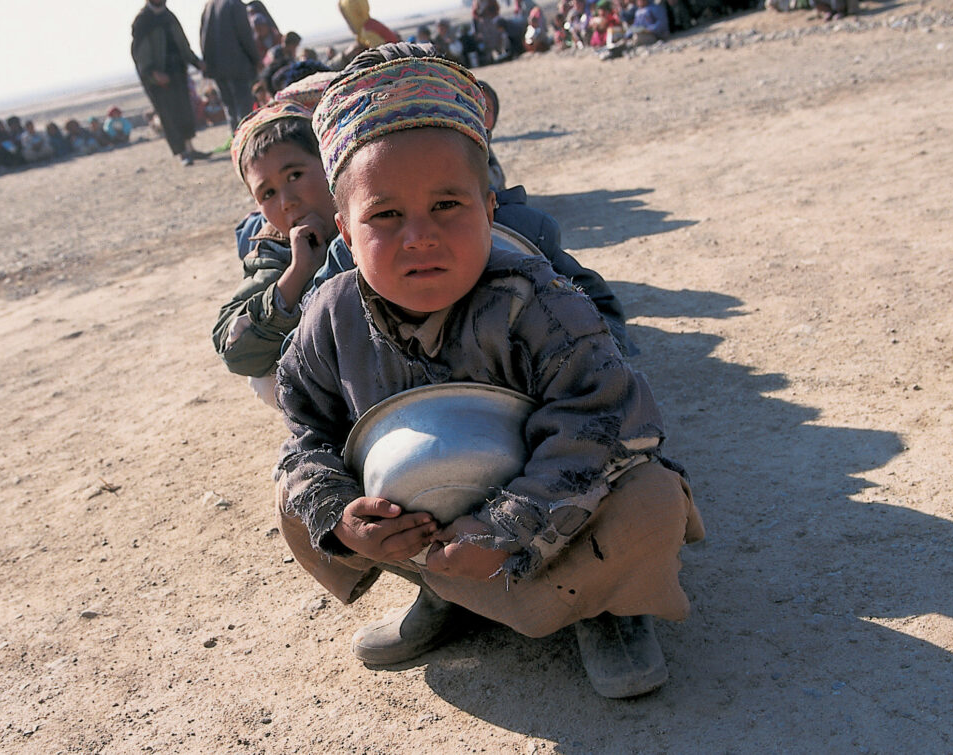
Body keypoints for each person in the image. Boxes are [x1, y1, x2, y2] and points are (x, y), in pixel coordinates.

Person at [275, 50, 704, 698]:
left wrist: (506, 527)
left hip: (557, 514)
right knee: (296, 499)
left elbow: (611, 416)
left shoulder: (539, 299)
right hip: (422, 524)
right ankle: (445, 591)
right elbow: (306, 431)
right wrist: (341, 516)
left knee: (650, 500)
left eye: (447, 204)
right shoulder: (330, 319)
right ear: (344, 229)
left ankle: (610, 608)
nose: (419, 235)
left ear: (489, 205)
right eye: (385, 215)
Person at [211, 99, 339, 408]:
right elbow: (235, 350)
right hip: (338, 387)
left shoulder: (374, 216)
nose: (287, 201)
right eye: (267, 194)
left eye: (294, 175)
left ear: (329, 163)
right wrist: (297, 274)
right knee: (267, 381)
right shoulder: (276, 251)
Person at [131, 0, 209, 166]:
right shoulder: (143, 21)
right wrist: (153, 73)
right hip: (159, 80)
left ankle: (190, 148)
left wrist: (196, 62)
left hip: (177, 73)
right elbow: (141, 54)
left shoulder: (169, 16)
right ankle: (182, 154)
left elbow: (182, 44)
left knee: (185, 112)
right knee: (170, 116)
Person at [199, 0, 263, 132]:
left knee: (231, 109)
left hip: (218, 69)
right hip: (238, 67)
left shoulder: (209, 6)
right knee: (244, 108)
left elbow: (204, 38)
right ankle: (245, 140)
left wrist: (208, 66)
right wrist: (256, 59)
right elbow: (245, 35)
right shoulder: (234, 4)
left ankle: (237, 141)